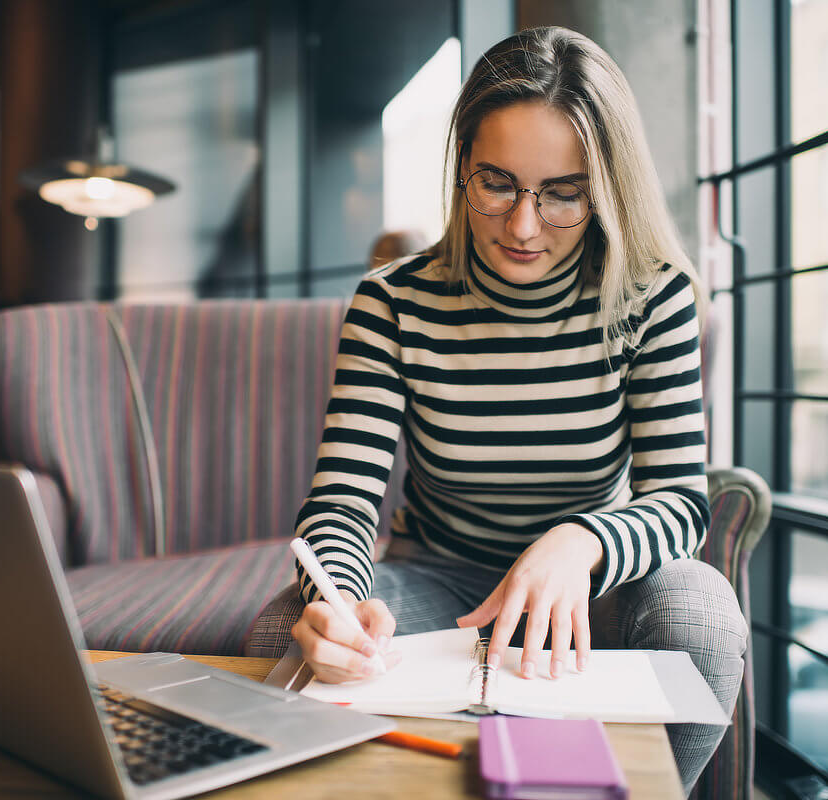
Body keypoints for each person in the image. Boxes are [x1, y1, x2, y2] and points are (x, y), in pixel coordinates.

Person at [254, 27, 749, 793]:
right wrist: (340, 599)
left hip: (595, 586)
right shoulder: (392, 303)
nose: (522, 226)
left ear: (605, 186)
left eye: (563, 193)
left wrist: (578, 542)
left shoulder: (655, 296)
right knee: (281, 631)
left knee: (703, 617)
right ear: (461, 170)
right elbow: (343, 506)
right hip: (441, 580)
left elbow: (681, 505)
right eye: (497, 184)